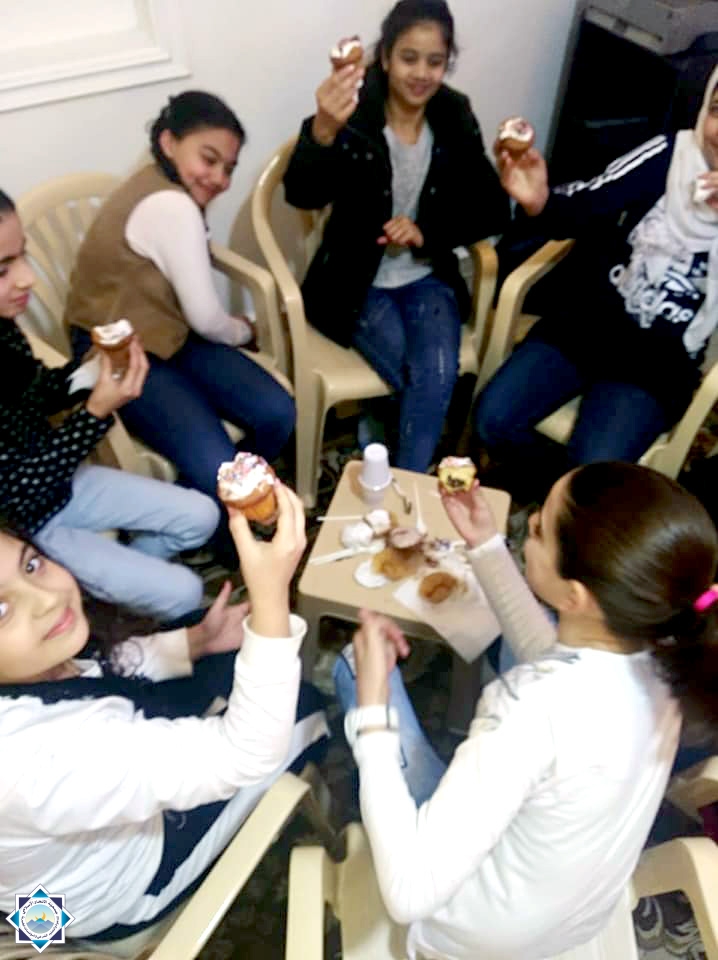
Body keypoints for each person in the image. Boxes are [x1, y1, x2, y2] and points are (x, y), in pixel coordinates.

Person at [335, 461, 718, 960]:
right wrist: (485, 545)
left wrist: (372, 711)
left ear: (577, 596)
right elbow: (558, 658)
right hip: (571, 918)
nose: (529, 521)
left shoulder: (527, 708)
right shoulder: (673, 659)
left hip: (470, 937)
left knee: (352, 669)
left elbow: (409, 891)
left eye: (538, 530)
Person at [0, 481, 328, 940]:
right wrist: (272, 596)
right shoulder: (41, 758)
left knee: (205, 646)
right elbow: (246, 753)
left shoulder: (33, 670)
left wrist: (198, 641)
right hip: (113, 893)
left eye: (31, 565)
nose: (47, 598)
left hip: (43, 873)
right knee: (302, 708)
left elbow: (96, 667)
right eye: (1, 609)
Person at [65, 90, 296, 560]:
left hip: (167, 333)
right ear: (169, 143)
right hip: (116, 350)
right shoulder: (170, 205)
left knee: (277, 411)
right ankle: (225, 529)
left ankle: (216, 507)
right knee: (218, 463)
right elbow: (208, 320)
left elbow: (192, 315)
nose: (219, 179)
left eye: (228, 168)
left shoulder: (160, 184)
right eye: (208, 160)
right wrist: (247, 331)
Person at [283, 0, 509, 472]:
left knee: (438, 370)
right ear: (385, 57)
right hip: (356, 282)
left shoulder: (453, 112)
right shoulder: (355, 111)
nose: (421, 74)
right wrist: (322, 129)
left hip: (426, 276)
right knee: (426, 379)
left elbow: (492, 207)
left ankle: (396, 470)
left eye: (435, 61)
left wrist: (428, 232)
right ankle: (405, 471)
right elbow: (302, 194)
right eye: (409, 58)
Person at [473, 65, 718, 492]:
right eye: (717, 110)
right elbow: (590, 201)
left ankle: (577, 501)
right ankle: (569, 499)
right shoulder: (668, 154)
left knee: (591, 463)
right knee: (492, 420)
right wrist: (541, 201)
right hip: (588, 325)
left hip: (657, 362)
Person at [0, 190, 219, 620]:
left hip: (61, 483)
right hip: (21, 527)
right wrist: (96, 412)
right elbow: (17, 492)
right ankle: (116, 608)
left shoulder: (4, 328)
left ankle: (116, 600)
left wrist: (91, 372)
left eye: (23, 255)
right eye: (3, 269)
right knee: (187, 593)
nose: (28, 279)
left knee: (202, 514)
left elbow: (34, 391)